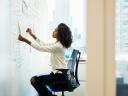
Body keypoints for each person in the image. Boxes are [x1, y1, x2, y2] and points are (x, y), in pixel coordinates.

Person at [18, 23, 72, 96]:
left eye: (55, 30)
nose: (53, 31)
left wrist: (25, 40)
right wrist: (31, 34)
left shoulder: (58, 46)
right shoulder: (58, 43)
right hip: (59, 74)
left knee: (34, 80)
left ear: (60, 34)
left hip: (59, 75)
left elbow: (41, 48)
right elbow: (43, 44)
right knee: (37, 80)